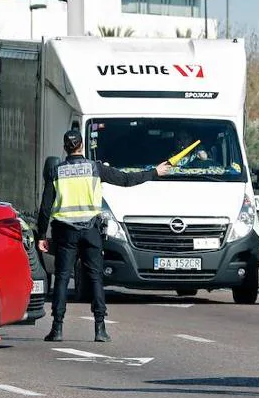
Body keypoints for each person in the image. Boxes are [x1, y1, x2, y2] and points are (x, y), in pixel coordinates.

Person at [36, 129, 172, 343]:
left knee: (62, 278)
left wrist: (42, 234)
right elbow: (126, 180)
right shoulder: (95, 168)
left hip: (66, 233)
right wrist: (154, 172)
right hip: (91, 232)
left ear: (65, 148)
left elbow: (45, 208)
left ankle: (57, 329)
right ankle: (100, 329)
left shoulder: (56, 171)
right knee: (96, 278)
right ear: (81, 146)